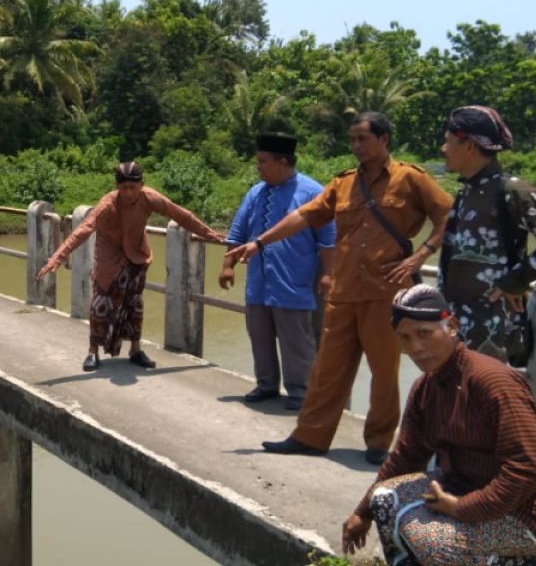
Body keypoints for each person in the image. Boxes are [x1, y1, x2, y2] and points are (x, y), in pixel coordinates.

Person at [228, 112, 452, 464]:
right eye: (352, 140)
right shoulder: (343, 184)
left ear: (384, 139)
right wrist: (260, 242)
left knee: (383, 370)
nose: (356, 146)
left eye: (363, 139)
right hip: (344, 291)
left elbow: (448, 216)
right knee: (327, 369)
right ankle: (310, 436)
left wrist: (421, 254)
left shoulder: (411, 179)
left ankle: (378, 443)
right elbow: (304, 216)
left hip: (385, 291)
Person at [341, 284, 536, 566]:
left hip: (530, 512)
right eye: (405, 338)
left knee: (435, 542)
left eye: (424, 334)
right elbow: (406, 456)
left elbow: (529, 468)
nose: (415, 348)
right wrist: (362, 512)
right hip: (463, 486)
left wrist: (462, 508)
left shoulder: (493, 382)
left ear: (450, 326)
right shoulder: (424, 387)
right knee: (384, 500)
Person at [37, 161, 226, 372]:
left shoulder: (149, 197)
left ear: (142, 184)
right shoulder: (107, 205)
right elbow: (83, 230)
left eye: (133, 187)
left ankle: (135, 350)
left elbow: (180, 214)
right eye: (123, 187)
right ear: (117, 187)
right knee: (101, 301)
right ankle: (92, 351)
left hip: (136, 252)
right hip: (109, 253)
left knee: (134, 302)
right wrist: (57, 257)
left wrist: (208, 233)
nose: (128, 193)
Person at [439, 106, 536, 364]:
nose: (443, 149)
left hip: (491, 322)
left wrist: (515, 281)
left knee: (485, 393)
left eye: (448, 142)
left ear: (469, 146)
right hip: (455, 318)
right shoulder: (467, 192)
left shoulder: (511, 191)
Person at [218, 133, 336, 409]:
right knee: (259, 335)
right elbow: (238, 230)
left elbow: (329, 239)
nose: (258, 167)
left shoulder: (312, 192)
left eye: (263, 162)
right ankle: (266, 384)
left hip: (294, 280)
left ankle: (301, 391)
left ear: (283, 162)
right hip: (259, 281)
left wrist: (328, 273)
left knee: (296, 339)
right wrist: (227, 265)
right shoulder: (255, 192)